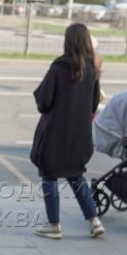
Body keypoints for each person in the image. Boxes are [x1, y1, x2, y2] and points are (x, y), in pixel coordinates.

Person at [30, 23, 104, 240]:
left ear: (67, 41)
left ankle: (54, 224)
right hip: (80, 135)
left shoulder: (59, 67)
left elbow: (44, 101)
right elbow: (93, 105)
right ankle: (94, 221)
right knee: (76, 175)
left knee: (49, 175)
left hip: (55, 133)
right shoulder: (92, 70)